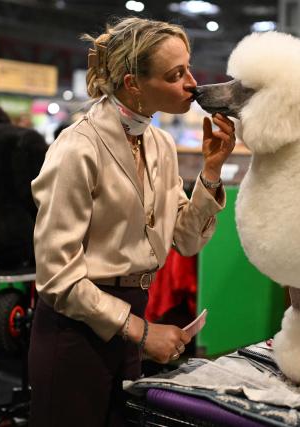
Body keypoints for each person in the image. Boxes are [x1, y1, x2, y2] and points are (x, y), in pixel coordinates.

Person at [28, 17, 235, 426]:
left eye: (188, 68)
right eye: (176, 75)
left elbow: (186, 241)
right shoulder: (78, 149)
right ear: (133, 83)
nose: (192, 83)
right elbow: (57, 278)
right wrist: (141, 332)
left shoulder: (161, 144)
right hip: (74, 333)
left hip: (134, 321)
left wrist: (211, 171)